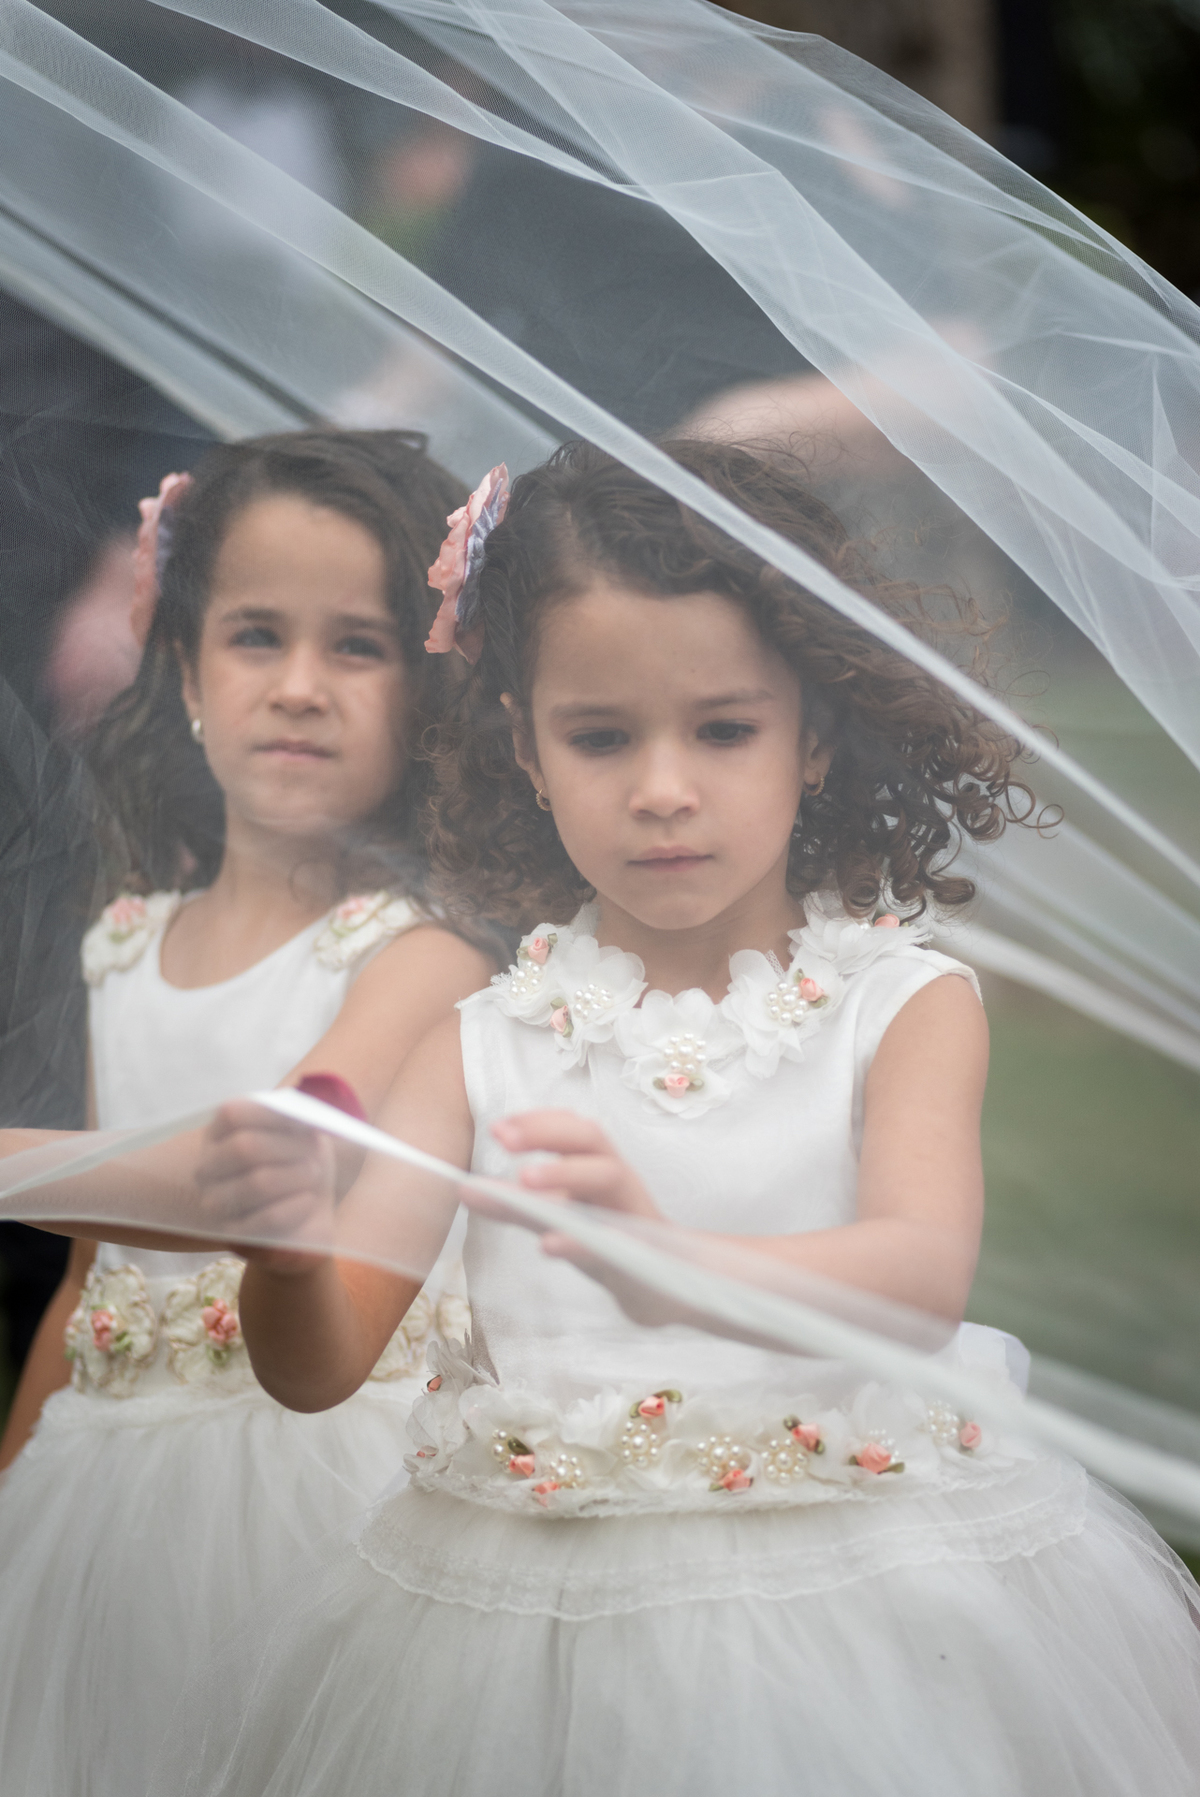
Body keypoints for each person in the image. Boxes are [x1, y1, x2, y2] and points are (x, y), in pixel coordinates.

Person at [169, 440, 1200, 1797]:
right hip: (519, 1636)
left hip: (869, 1595)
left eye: (723, 728)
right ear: (528, 750)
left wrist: (663, 1258)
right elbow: (321, 1362)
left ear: (813, 736)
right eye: (601, 735)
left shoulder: (902, 1003)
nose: (664, 787)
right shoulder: (482, 1042)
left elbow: (916, 1274)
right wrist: (286, 1252)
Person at [0, 428, 495, 1797]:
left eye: (359, 646)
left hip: (322, 1478)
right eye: (256, 635)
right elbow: (93, 1272)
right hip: (98, 1491)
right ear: (185, 668)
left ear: (427, 690)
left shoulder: (417, 954)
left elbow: (263, 1164)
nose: (297, 687)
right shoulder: (120, 946)